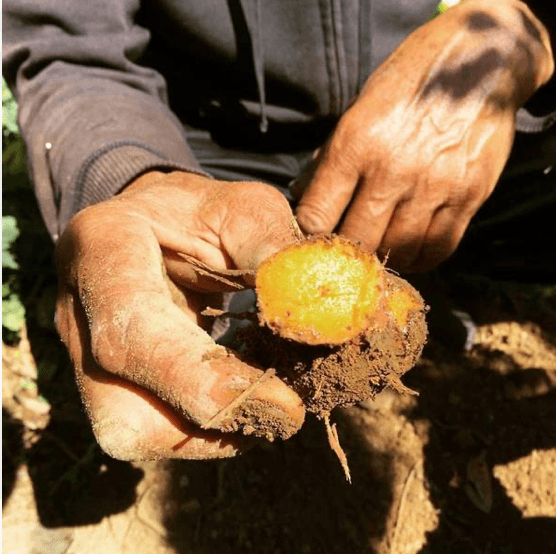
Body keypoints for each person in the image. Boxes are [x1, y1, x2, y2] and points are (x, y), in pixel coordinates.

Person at [3, 0, 555, 461]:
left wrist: (525, 30)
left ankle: (439, 281)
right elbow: (66, 49)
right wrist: (130, 172)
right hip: (216, 140)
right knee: (215, 324)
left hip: (475, 111)